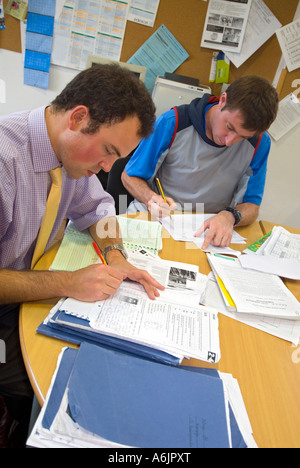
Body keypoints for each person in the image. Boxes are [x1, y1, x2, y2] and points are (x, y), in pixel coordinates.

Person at [0, 63, 164, 447]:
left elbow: (100, 211)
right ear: (78, 117)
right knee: (70, 385)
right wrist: (69, 282)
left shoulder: (71, 159)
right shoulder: (6, 160)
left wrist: (117, 256)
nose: (108, 168)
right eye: (108, 152)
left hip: (26, 298)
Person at [121, 75, 279, 250]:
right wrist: (150, 198)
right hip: (161, 218)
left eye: (242, 137)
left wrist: (230, 216)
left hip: (207, 228)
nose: (229, 142)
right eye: (229, 127)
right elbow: (129, 176)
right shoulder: (173, 123)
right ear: (223, 100)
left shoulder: (258, 143)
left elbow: (251, 206)